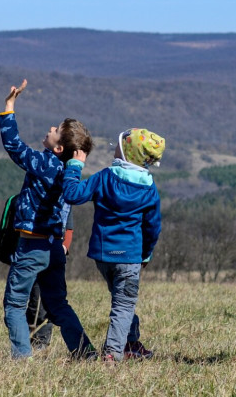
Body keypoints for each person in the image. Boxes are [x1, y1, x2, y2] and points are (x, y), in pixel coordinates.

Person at [0, 79, 96, 360]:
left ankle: (21, 359)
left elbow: (14, 146)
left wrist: (9, 107)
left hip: (32, 247)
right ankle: (84, 351)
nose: (50, 129)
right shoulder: (68, 173)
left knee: (14, 305)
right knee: (58, 305)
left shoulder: (46, 164)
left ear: (58, 149)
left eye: (56, 131)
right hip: (54, 248)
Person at [63, 128, 164, 362]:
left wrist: (75, 165)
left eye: (119, 145)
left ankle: (130, 344)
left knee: (122, 302)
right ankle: (113, 354)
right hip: (130, 257)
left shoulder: (106, 177)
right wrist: (145, 255)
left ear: (128, 153)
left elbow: (72, 194)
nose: (114, 148)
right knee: (123, 305)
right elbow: (152, 228)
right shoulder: (149, 190)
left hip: (103, 255)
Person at [27, 214, 74, 350]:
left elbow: (69, 229)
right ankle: (29, 338)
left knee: (49, 301)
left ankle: (41, 340)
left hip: (54, 256)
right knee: (35, 301)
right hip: (33, 253)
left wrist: (64, 247)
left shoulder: (64, 199)